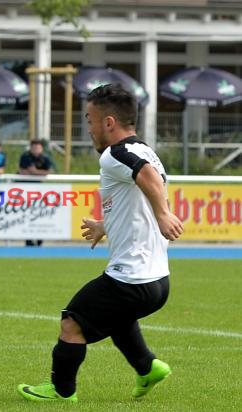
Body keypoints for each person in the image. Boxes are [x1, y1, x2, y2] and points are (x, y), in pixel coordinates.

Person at [17, 84, 184, 403]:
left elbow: (146, 176)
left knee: (72, 322)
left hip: (132, 277)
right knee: (117, 319)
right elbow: (139, 199)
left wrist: (163, 214)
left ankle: (61, 391)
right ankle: (148, 368)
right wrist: (105, 225)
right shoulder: (146, 149)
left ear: (109, 122)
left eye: (90, 120)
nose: (89, 128)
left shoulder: (116, 154)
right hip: (157, 279)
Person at [18, 139, 54, 247]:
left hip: (39, 190)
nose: (36, 150)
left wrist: (34, 172)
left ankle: (39, 238)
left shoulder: (45, 158)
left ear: (41, 148)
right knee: (26, 214)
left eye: (38, 148)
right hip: (26, 190)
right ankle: (28, 239)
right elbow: (22, 171)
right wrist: (38, 173)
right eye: (34, 148)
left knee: (39, 213)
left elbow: (48, 172)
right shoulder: (25, 156)